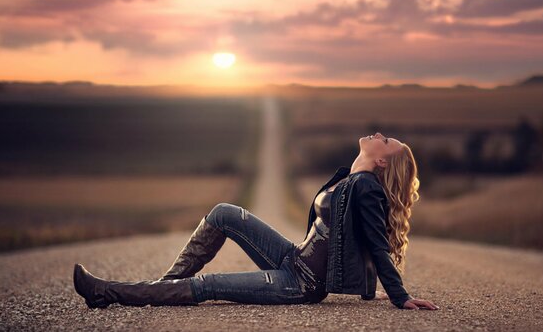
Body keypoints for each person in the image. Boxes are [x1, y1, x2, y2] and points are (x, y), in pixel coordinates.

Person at [74, 132, 439, 311]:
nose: (379, 135)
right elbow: (355, 240)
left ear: (383, 162)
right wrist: (364, 289)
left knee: (208, 284)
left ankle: (107, 292)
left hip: (299, 283)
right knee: (224, 213)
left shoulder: (367, 188)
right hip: (292, 258)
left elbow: (377, 242)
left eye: (386, 140)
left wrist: (399, 296)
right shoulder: (349, 178)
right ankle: (162, 288)